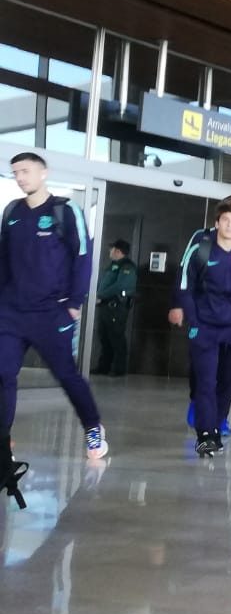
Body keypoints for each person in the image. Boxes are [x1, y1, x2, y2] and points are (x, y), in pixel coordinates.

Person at [0, 152, 107, 459]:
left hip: (51, 312)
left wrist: (74, 303)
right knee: (3, 374)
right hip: (11, 311)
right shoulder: (12, 211)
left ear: (43, 173)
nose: (20, 178)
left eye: (26, 171)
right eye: (16, 172)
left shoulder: (64, 210)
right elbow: (3, 259)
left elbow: (82, 257)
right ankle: (2, 439)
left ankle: (92, 426)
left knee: (66, 375)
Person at [174, 197, 231, 456]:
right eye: (225, 220)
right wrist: (192, 319)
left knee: (226, 381)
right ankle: (205, 435)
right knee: (205, 381)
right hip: (205, 328)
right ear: (217, 223)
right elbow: (185, 284)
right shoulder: (201, 248)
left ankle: (217, 422)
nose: (230, 225)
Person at [92, 238, 136, 376]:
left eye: (112, 249)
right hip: (105, 307)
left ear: (117, 251)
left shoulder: (127, 267)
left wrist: (100, 295)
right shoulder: (112, 265)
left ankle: (119, 369)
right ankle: (103, 367)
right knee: (104, 337)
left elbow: (120, 286)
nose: (109, 251)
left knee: (116, 337)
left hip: (116, 308)